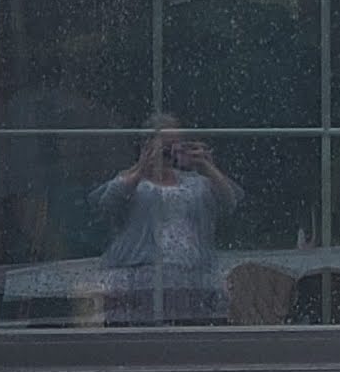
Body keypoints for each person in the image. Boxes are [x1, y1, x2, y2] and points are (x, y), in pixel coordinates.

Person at [91, 121, 242, 322]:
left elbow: (228, 201)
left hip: (191, 275)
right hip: (141, 277)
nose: (170, 152)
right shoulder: (132, 181)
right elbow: (107, 203)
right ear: (147, 146)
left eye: (176, 145)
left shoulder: (194, 182)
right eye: (165, 146)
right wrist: (142, 168)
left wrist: (207, 166)